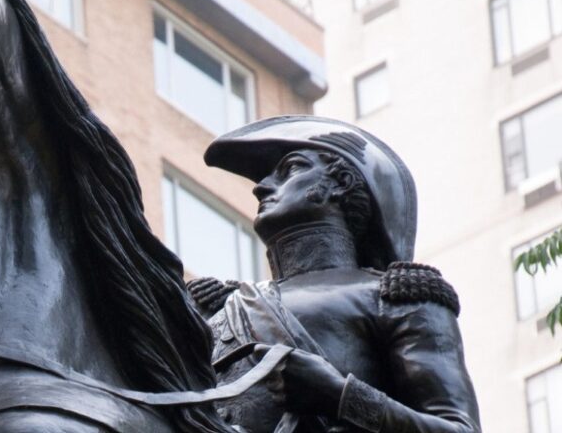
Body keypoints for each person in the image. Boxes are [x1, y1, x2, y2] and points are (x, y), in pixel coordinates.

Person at [187, 116, 481, 432]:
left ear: (341, 184)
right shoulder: (225, 307)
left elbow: (461, 429)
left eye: (291, 169)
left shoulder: (395, 296)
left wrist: (341, 396)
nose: (260, 187)